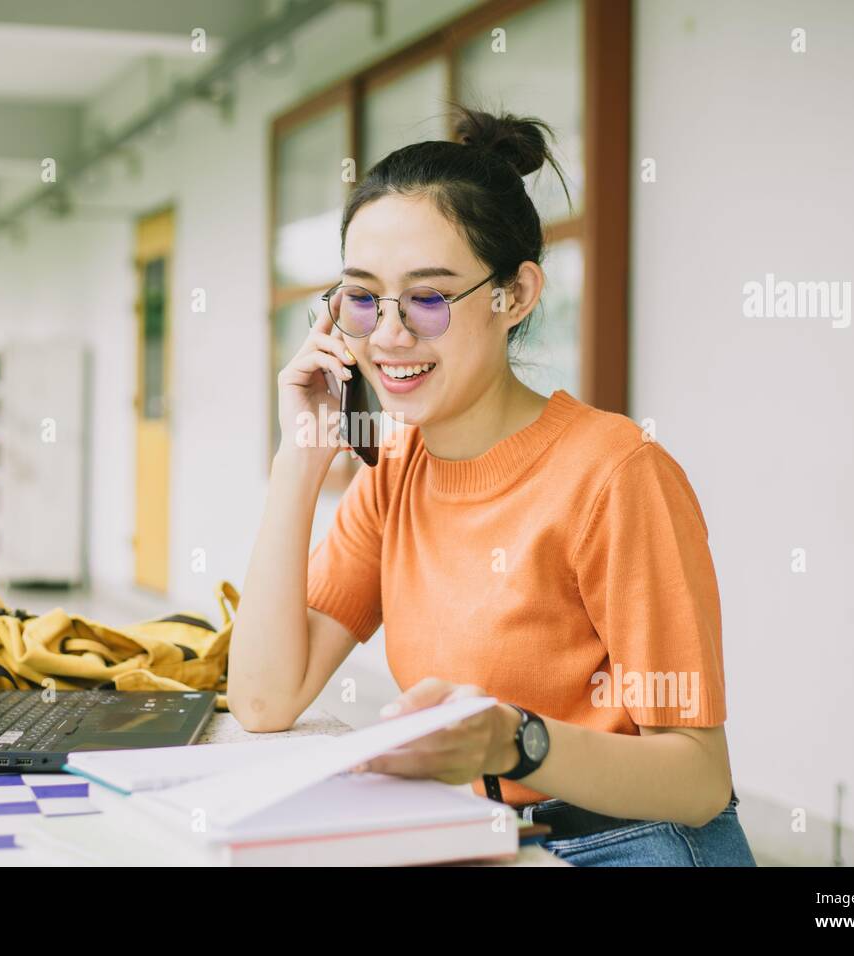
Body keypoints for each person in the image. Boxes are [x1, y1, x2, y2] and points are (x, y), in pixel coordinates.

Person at [229, 104, 755, 866]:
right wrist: (300, 457)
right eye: (363, 297)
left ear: (515, 295)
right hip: (486, 837)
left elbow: (700, 778)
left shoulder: (616, 472)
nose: (388, 334)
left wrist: (516, 740)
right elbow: (263, 700)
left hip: (633, 842)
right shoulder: (396, 471)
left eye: (430, 297)